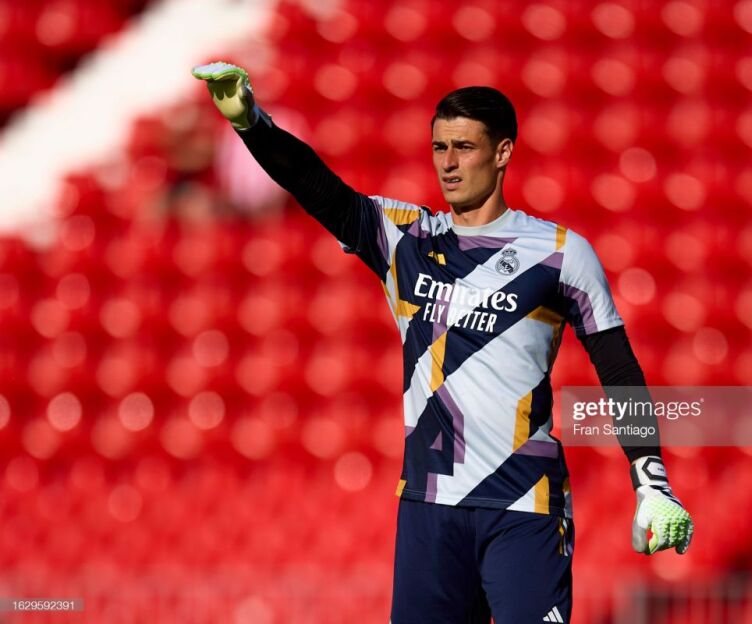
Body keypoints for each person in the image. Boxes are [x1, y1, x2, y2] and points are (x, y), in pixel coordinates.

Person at [192, 61, 692, 623]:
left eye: (464, 147)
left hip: (523, 508)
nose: (448, 163)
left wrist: (651, 481)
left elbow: (618, 371)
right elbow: (318, 188)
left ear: (502, 153)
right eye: (438, 147)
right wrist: (252, 125)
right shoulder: (403, 238)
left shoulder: (560, 253)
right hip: (429, 510)